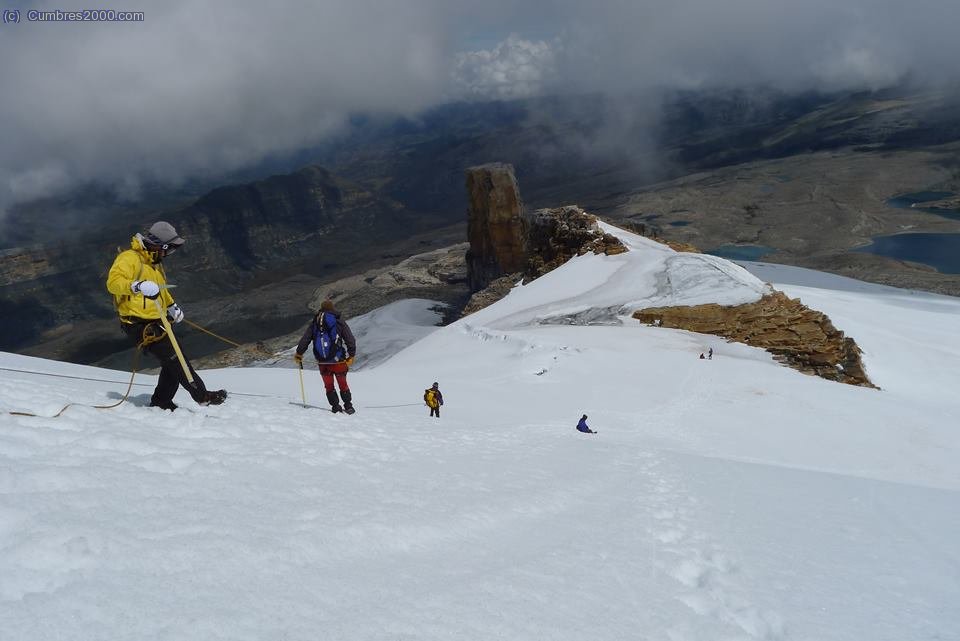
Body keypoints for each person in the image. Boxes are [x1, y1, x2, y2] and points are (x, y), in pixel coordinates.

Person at [106, 221, 227, 411]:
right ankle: (202, 396)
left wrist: (171, 306)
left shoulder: (153, 263)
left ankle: (162, 401)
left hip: (157, 319)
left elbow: (160, 290)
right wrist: (136, 286)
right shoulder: (129, 258)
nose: (169, 254)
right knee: (176, 359)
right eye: (169, 249)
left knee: (173, 359)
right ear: (160, 245)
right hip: (138, 324)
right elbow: (113, 283)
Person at [294, 299, 357, 414]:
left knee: (329, 385)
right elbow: (350, 339)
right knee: (343, 384)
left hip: (322, 361)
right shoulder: (338, 321)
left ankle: (335, 407)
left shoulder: (315, 323)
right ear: (332, 309)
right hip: (338, 360)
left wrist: (299, 353)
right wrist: (351, 354)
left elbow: (305, 339)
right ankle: (348, 406)